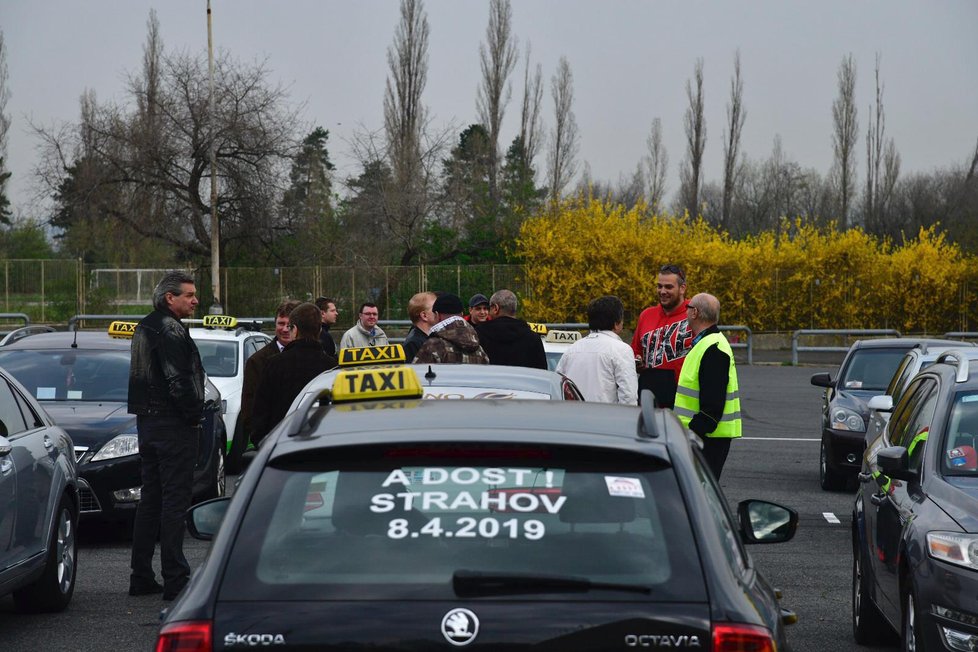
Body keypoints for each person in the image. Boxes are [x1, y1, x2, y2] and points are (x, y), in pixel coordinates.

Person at [127, 271, 204, 601]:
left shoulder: (144, 326)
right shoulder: (170, 329)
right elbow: (179, 382)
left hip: (148, 422)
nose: (195, 300)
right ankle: (175, 578)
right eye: (188, 295)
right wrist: (194, 415)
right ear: (169, 298)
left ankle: (141, 574)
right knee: (174, 501)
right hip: (172, 424)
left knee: (151, 499)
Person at [226, 299, 300, 473]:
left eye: (289, 324)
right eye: (280, 323)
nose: (284, 329)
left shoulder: (311, 358)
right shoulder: (258, 361)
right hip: (270, 442)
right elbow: (249, 403)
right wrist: (260, 438)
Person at [673, 293, 742, 480]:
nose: (685, 311)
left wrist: (690, 434)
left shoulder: (713, 348)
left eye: (688, 307)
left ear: (694, 312)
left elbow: (712, 407)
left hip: (706, 440)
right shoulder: (709, 343)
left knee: (701, 496)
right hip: (707, 438)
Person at [251, 302, 338, 444]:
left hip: (281, 447)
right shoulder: (331, 367)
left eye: (290, 327)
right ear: (319, 331)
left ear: (295, 330)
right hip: (321, 446)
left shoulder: (274, 364)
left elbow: (260, 413)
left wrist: (262, 445)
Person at [631, 264, 694, 409]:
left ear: (682, 288)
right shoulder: (646, 315)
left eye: (668, 287)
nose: (662, 291)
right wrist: (637, 361)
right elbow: (636, 351)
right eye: (659, 286)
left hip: (684, 398)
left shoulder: (694, 313)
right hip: (649, 398)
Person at [555, 295, 638, 404]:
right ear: (617, 323)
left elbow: (557, 386)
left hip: (573, 417)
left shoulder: (572, 349)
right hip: (605, 418)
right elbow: (628, 396)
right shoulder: (622, 350)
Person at [474, 289, 547, 369]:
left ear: (495, 308)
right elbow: (541, 372)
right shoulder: (533, 338)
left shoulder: (478, 335)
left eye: (489, 308)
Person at [412, 293, 490, 364]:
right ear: (462, 315)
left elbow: (417, 375)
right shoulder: (479, 349)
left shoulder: (433, 346)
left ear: (437, 315)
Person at [402, 291, 437, 361]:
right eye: (435, 308)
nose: (438, 312)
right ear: (424, 315)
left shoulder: (428, 337)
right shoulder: (413, 344)